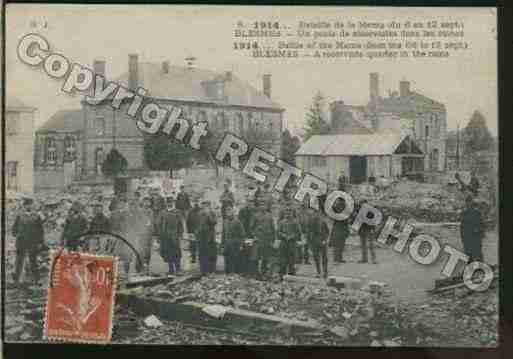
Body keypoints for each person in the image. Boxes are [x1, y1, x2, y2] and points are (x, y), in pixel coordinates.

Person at [12, 197, 45, 286]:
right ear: (24, 206)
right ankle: (16, 280)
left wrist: (41, 242)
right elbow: (14, 228)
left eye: (30, 205)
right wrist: (16, 234)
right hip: (21, 241)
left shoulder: (37, 216)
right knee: (19, 261)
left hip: (32, 242)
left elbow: (40, 231)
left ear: (32, 206)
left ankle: (36, 280)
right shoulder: (19, 216)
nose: (28, 207)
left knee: (33, 261)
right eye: (26, 205)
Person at [155, 197, 184, 274]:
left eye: (171, 202)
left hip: (175, 236)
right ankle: (171, 269)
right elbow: (158, 224)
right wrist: (159, 235)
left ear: (173, 203)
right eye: (168, 202)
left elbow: (180, 225)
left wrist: (180, 235)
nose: (169, 204)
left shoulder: (177, 212)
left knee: (176, 253)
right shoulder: (162, 212)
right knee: (167, 253)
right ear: (166, 203)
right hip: (165, 236)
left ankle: (178, 269)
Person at [306, 207, 330, 278]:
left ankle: (325, 272)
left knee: (324, 258)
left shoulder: (323, 222)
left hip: (322, 241)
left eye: (317, 213)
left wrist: (325, 240)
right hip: (314, 242)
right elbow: (308, 232)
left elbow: (327, 232)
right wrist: (309, 243)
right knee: (316, 257)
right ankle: (318, 272)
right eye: (314, 213)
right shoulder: (310, 221)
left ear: (319, 213)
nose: (315, 214)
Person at [253, 200, 276, 276]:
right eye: (261, 205)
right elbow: (251, 227)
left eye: (264, 205)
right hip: (259, 239)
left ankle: (264, 272)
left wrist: (273, 240)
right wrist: (255, 236)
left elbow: (273, 229)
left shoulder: (270, 216)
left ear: (266, 207)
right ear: (259, 207)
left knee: (266, 257)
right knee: (257, 257)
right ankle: (256, 273)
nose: (263, 207)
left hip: (267, 239)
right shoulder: (256, 216)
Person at [277, 207, 302, 277]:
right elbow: (278, 232)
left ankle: (291, 272)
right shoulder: (281, 222)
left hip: (292, 243)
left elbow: (298, 232)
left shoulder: (295, 222)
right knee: (283, 258)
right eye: (286, 213)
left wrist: (292, 236)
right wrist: (284, 235)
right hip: (284, 242)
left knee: (291, 258)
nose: (288, 215)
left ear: (292, 214)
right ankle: (282, 272)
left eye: (289, 213)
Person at [196, 200, 218, 274]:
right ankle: (203, 270)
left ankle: (212, 270)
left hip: (210, 237)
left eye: (207, 206)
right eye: (204, 206)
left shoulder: (212, 213)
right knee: (202, 254)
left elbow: (214, 222)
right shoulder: (199, 214)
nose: (205, 207)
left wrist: (208, 215)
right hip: (202, 237)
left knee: (211, 254)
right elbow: (197, 225)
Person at [223, 204, 246, 274]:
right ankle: (228, 274)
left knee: (235, 260)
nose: (228, 213)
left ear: (233, 212)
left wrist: (241, 245)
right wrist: (222, 245)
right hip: (227, 243)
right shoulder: (225, 222)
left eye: (230, 211)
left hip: (235, 244)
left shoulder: (237, 222)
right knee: (227, 259)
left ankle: (236, 274)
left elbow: (242, 234)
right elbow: (223, 234)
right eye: (227, 212)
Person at [460, 196, 484, 262]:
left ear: (472, 203)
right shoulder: (464, 213)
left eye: (470, 202)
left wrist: (480, 235)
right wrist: (462, 237)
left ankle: (481, 268)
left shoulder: (477, 213)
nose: (468, 204)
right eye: (467, 202)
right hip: (467, 237)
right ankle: (469, 269)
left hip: (475, 236)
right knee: (468, 254)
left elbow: (481, 225)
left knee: (478, 254)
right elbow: (462, 226)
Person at [136, 197, 155, 273]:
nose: (147, 203)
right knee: (141, 251)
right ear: (143, 203)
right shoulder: (139, 212)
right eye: (145, 202)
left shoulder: (151, 211)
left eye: (148, 202)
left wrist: (153, 233)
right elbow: (137, 223)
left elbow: (152, 223)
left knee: (148, 251)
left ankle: (146, 266)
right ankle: (139, 267)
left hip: (149, 234)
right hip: (142, 234)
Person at [330, 198, 350, 263]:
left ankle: (337, 258)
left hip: (337, 228)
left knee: (337, 244)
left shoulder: (336, 208)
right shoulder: (344, 209)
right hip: (341, 228)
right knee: (340, 244)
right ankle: (338, 258)